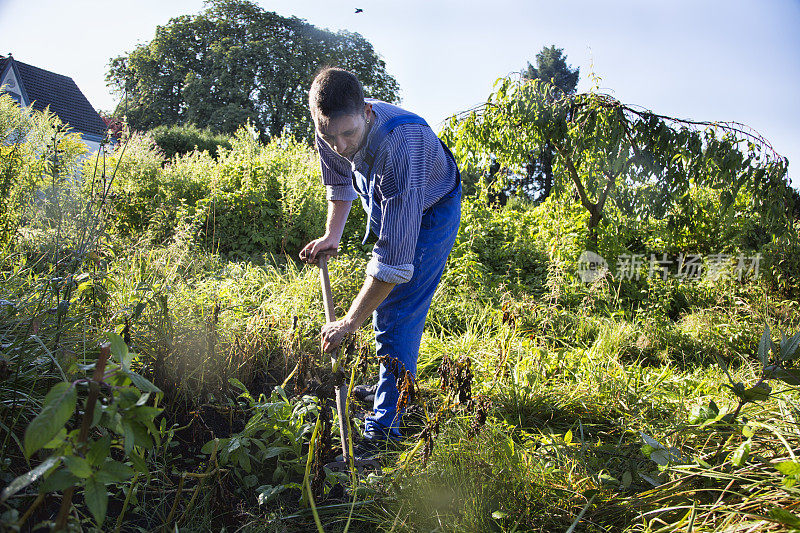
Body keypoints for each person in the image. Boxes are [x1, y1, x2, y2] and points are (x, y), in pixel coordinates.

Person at [299, 67, 461, 454]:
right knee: (382, 304)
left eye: (348, 135)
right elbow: (339, 181)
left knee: (396, 312)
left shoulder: (399, 150)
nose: (339, 144)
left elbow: (392, 263)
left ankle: (386, 427)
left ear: (368, 112)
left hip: (430, 210)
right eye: (329, 136)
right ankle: (394, 384)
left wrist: (348, 322)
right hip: (383, 193)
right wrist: (332, 235)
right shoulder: (333, 127)